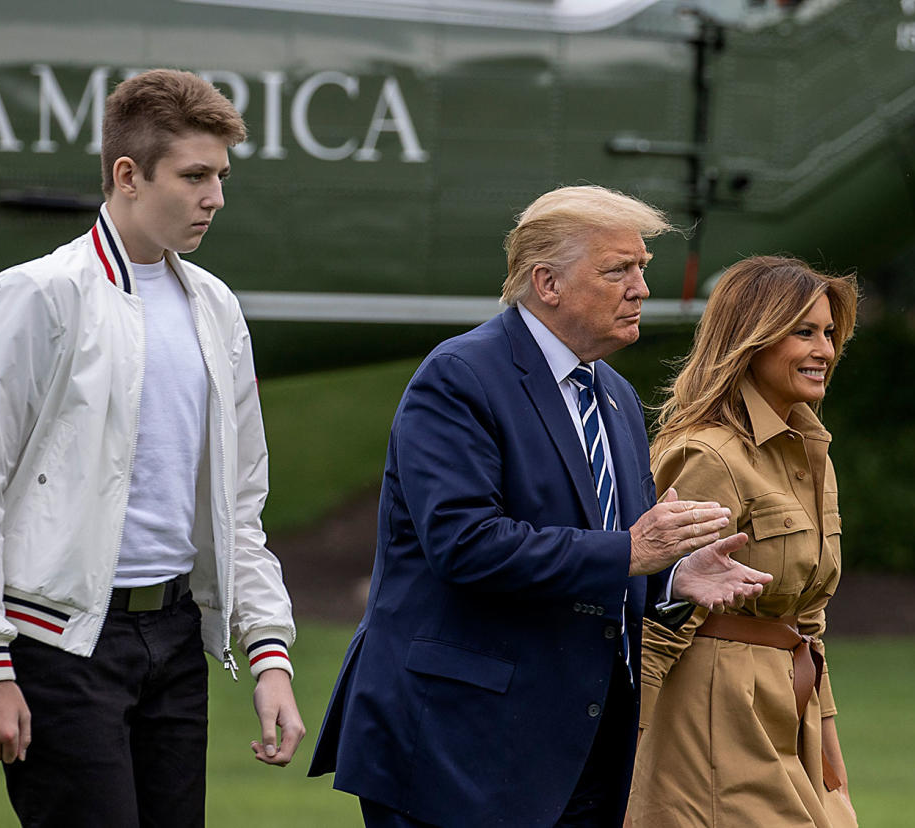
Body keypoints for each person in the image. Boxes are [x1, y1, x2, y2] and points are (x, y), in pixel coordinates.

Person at [308, 185, 774, 827]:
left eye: (643, 268)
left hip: (582, 747)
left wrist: (670, 576)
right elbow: (465, 545)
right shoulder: (460, 377)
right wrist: (632, 552)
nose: (640, 287)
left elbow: (607, 544)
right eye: (618, 269)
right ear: (546, 283)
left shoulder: (612, 393)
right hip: (459, 749)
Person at [0, 69, 304, 827]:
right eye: (195, 175)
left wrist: (269, 653)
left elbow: (239, 503)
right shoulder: (40, 294)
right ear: (127, 175)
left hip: (175, 642)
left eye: (221, 176)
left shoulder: (218, 308)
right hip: (57, 646)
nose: (215, 197)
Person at [627, 255, 859, 827]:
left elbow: (810, 619)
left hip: (790, 707)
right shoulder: (708, 455)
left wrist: (829, 750)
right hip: (712, 713)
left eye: (829, 333)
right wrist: (620, 752)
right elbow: (656, 610)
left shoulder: (811, 452)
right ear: (752, 339)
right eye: (803, 332)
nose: (824, 350)